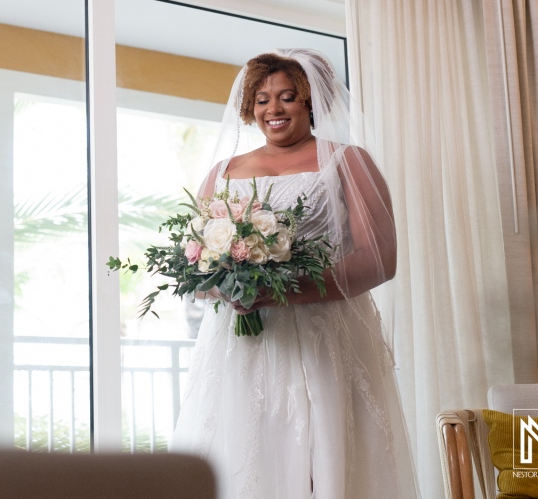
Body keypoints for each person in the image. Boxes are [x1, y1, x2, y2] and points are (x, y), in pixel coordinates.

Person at [170, 49, 420, 498]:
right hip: (241, 345)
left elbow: (380, 257)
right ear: (250, 105)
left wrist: (284, 291)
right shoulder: (222, 172)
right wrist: (227, 286)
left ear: (310, 102)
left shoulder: (348, 161)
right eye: (263, 99)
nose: (274, 109)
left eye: (288, 97)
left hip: (324, 335)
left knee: (321, 453)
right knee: (245, 453)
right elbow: (198, 260)